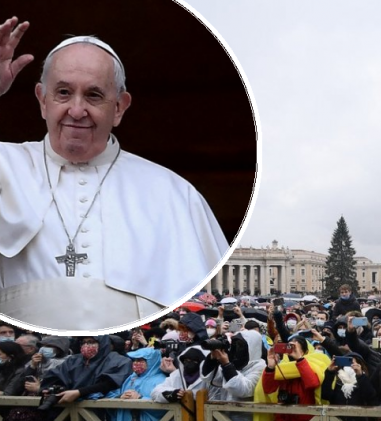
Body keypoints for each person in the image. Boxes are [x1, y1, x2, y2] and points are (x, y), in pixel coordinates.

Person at [0, 18, 228, 329]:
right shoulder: (5, 164)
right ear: (42, 100)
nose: (77, 110)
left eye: (94, 95)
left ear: (119, 107)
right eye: (63, 93)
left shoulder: (175, 194)